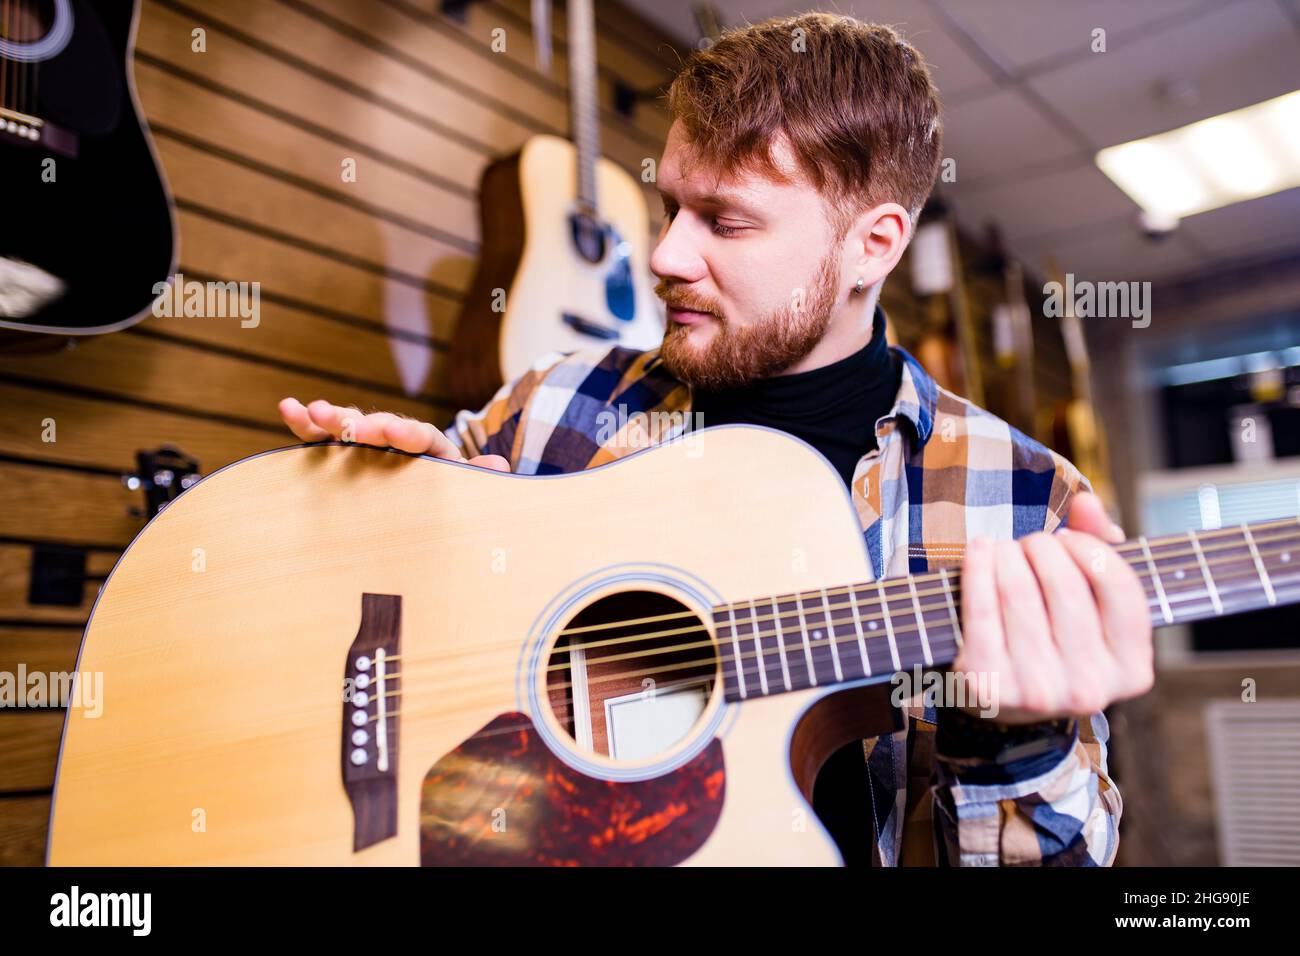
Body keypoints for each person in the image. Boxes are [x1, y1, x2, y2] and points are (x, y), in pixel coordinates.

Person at [279, 13, 1152, 866]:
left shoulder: (1028, 499)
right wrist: (394, 520)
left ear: (872, 245)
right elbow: (348, 649)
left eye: (724, 223)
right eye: (669, 208)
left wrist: (1020, 738)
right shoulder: (555, 401)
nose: (663, 255)